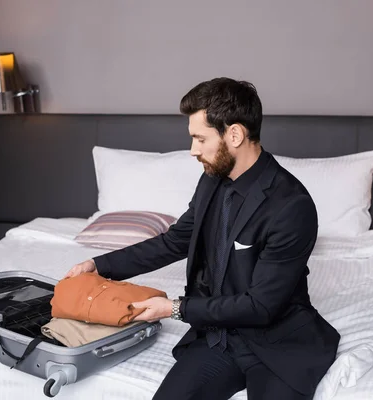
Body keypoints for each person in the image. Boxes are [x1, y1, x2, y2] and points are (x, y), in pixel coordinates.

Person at [65, 77, 340, 400]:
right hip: (219, 339)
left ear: (234, 134)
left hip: (277, 344)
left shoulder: (291, 205)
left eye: (200, 138)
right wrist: (99, 265)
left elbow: (262, 306)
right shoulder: (211, 180)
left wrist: (174, 309)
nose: (193, 150)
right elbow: (174, 241)